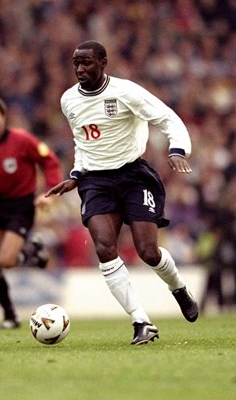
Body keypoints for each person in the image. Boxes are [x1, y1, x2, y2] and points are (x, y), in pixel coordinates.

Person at [45, 40, 199, 345]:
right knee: (104, 248)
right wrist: (76, 174)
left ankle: (178, 288)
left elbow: (167, 117)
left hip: (133, 176)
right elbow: (83, 143)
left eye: (86, 63)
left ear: (104, 62)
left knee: (148, 251)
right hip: (95, 181)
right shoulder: (69, 100)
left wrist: (178, 149)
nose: (80, 69)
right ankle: (141, 321)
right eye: (76, 63)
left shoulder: (126, 92)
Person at [0, 97, 62, 329]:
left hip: (22, 205)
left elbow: (49, 160)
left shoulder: (21, 140)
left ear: (3, 118)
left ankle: (31, 251)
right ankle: (10, 315)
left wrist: (49, 193)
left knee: (6, 261)